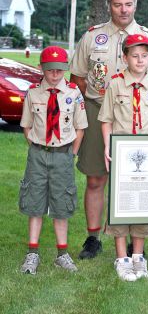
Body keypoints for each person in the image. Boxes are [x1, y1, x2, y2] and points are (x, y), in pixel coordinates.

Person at [69, 0, 148, 260]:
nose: (123, 9)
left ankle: (135, 242)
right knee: (95, 179)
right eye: (117, 4)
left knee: (136, 180)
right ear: (109, 5)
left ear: (135, 5)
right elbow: (77, 79)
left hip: (137, 116)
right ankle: (93, 238)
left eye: (128, 4)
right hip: (98, 111)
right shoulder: (93, 37)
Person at [98, 33, 148, 281]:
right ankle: (122, 258)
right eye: (135, 56)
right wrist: (108, 147)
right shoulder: (115, 84)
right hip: (122, 152)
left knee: (143, 202)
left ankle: (138, 256)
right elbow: (106, 120)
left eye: (144, 56)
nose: (140, 60)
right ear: (125, 57)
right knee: (121, 203)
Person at [19, 46, 88, 275]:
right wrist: (38, 147)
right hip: (38, 154)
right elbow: (27, 126)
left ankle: (62, 253)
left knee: (62, 204)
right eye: (50, 70)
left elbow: (80, 128)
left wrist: (72, 153)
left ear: (65, 69)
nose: (55, 74)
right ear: (42, 68)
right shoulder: (33, 93)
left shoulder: (73, 93)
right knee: (34, 202)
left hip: (63, 155)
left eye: (60, 70)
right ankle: (32, 253)